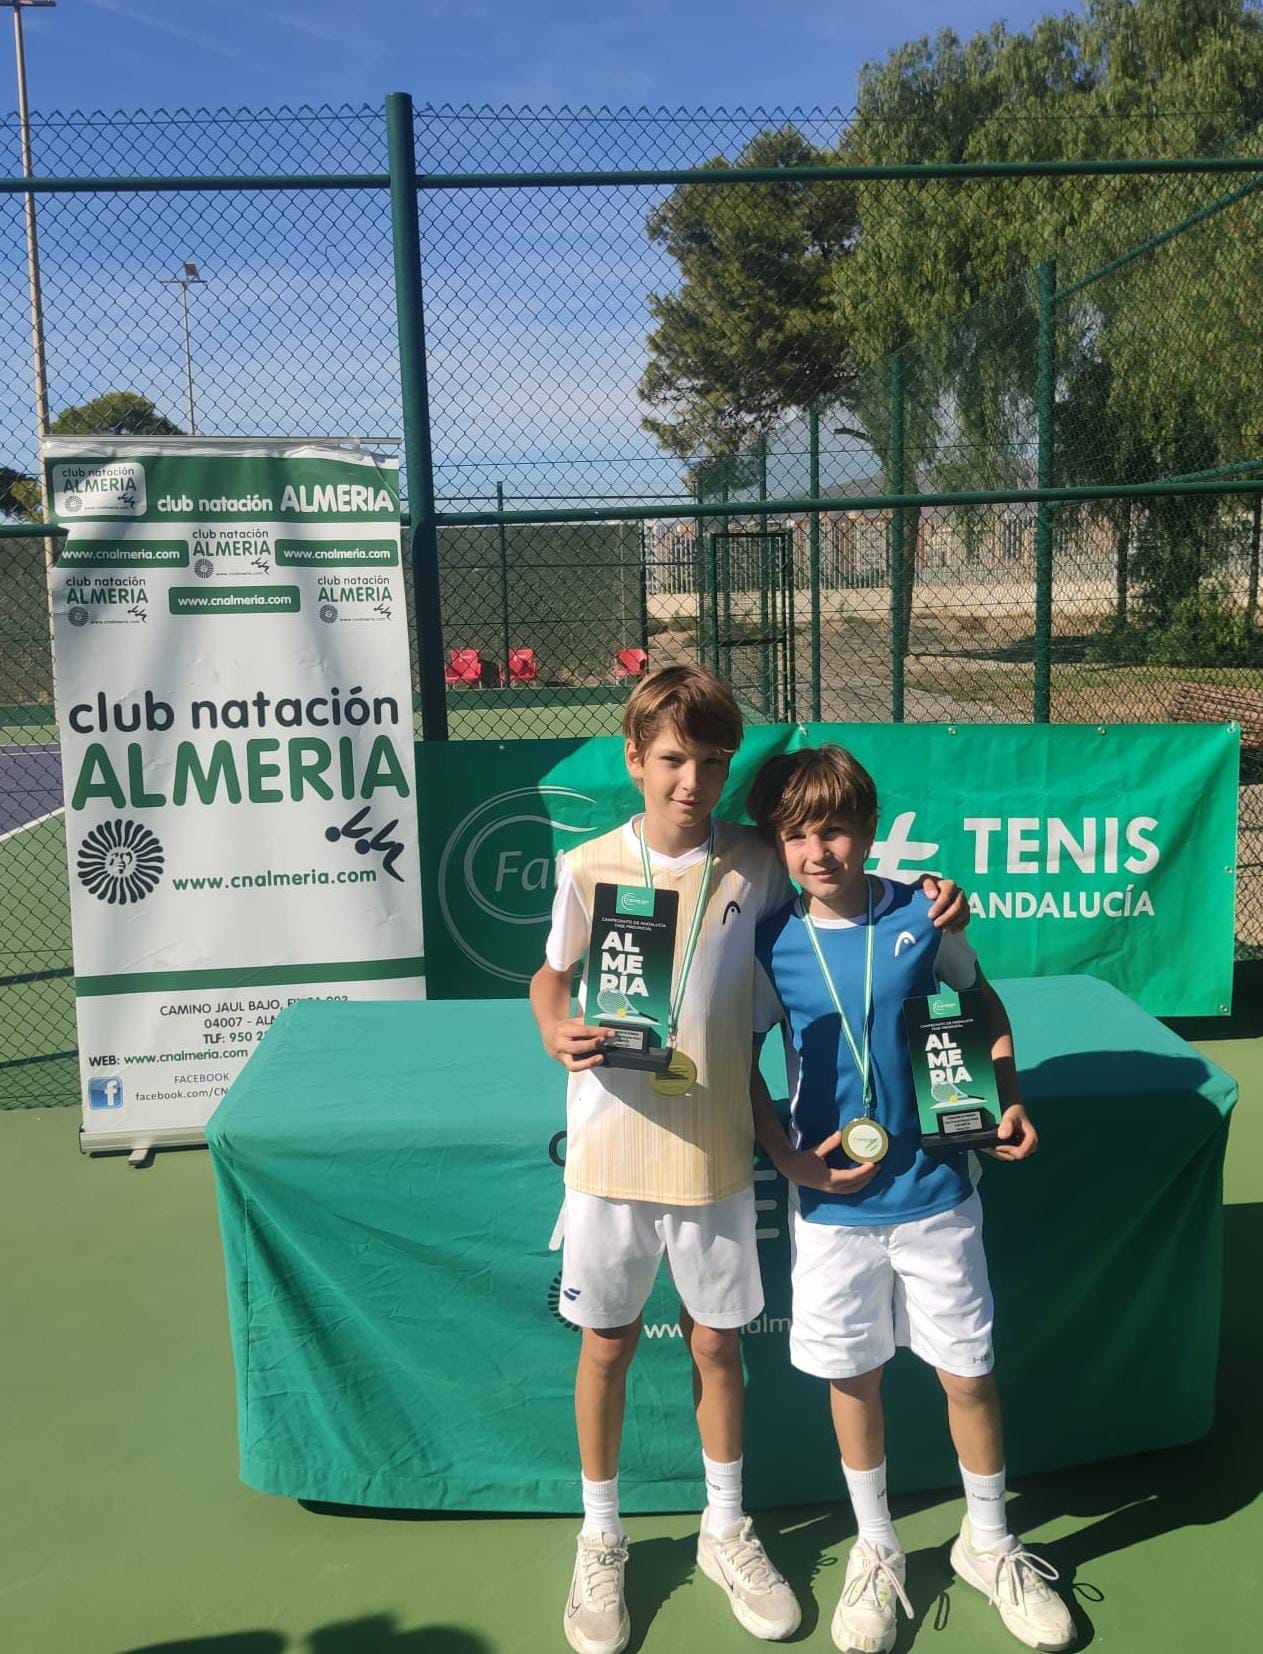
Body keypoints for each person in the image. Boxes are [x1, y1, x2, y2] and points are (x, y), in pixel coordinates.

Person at [530, 668, 969, 1654]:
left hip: (717, 1162)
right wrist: (557, 1025)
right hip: (606, 1156)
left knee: (717, 1344)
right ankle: (600, 1535)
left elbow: (844, 918)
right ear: (636, 759)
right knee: (604, 1346)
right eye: (675, 758)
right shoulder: (590, 865)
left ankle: (726, 1525)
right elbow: (549, 977)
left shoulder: (758, 866)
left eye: (715, 761)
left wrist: (938, 899)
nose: (695, 778)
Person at [746, 744, 1075, 1654]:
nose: (821, 851)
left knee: (966, 1373)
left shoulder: (920, 915)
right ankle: (877, 1547)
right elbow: (742, 1064)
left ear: (868, 828)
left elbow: (982, 1008)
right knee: (854, 1379)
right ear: (779, 842)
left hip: (936, 1196)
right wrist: (789, 1159)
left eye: (838, 830)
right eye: (799, 834)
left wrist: (1006, 1098)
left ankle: (989, 1541)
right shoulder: (773, 942)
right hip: (835, 1211)